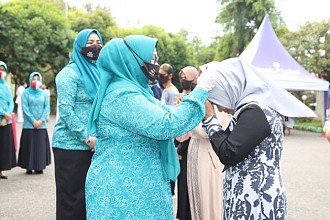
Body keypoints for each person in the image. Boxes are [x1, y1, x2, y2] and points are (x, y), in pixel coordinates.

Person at [85, 35, 213, 219]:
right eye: (152, 59)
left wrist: (184, 104)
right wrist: (201, 91)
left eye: (157, 60)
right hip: (122, 189)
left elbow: (165, 114)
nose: (156, 65)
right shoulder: (123, 96)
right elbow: (167, 124)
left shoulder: (138, 91)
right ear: (133, 60)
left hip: (137, 186)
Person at [199, 57, 317, 219]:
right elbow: (226, 142)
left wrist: (211, 118)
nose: (219, 108)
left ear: (230, 89)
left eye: (218, 100)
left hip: (257, 201)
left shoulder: (256, 111)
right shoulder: (248, 110)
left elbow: (228, 153)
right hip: (248, 197)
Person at [52, 29, 103, 220]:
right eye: (90, 42)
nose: (95, 46)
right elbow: (66, 112)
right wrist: (87, 138)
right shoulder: (68, 74)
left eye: (98, 41)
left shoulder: (99, 72)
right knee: (72, 200)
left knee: (88, 200)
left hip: (93, 144)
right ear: (80, 45)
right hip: (70, 145)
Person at [174, 66, 199, 220]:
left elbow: (191, 126)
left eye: (186, 76)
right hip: (179, 144)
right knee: (181, 182)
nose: (183, 79)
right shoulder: (181, 95)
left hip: (189, 146)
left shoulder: (196, 97)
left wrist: (181, 148)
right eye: (181, 75)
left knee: (188, 182)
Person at [18, 72, 51, 174]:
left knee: (39, 146)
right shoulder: (26, 93)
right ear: (30, 80)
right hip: (29, 125)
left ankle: (39, 166)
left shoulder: (44, 93)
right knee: (29, 146)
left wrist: (41, 120)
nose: (35, 81)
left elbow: (47, 107)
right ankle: (28, 166)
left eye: (37, 79)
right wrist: (33, 120)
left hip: (41, 125)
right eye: (33, 79)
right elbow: (25, 108)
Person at [0, 61, 16, 179]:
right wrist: (3, 114)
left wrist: (8, 115)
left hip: (7, 120)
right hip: (2, 116)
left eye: (3, 69)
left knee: (4, 146)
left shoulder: (7, 86)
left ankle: (2, 169)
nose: (1, 71)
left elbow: (11, 101)